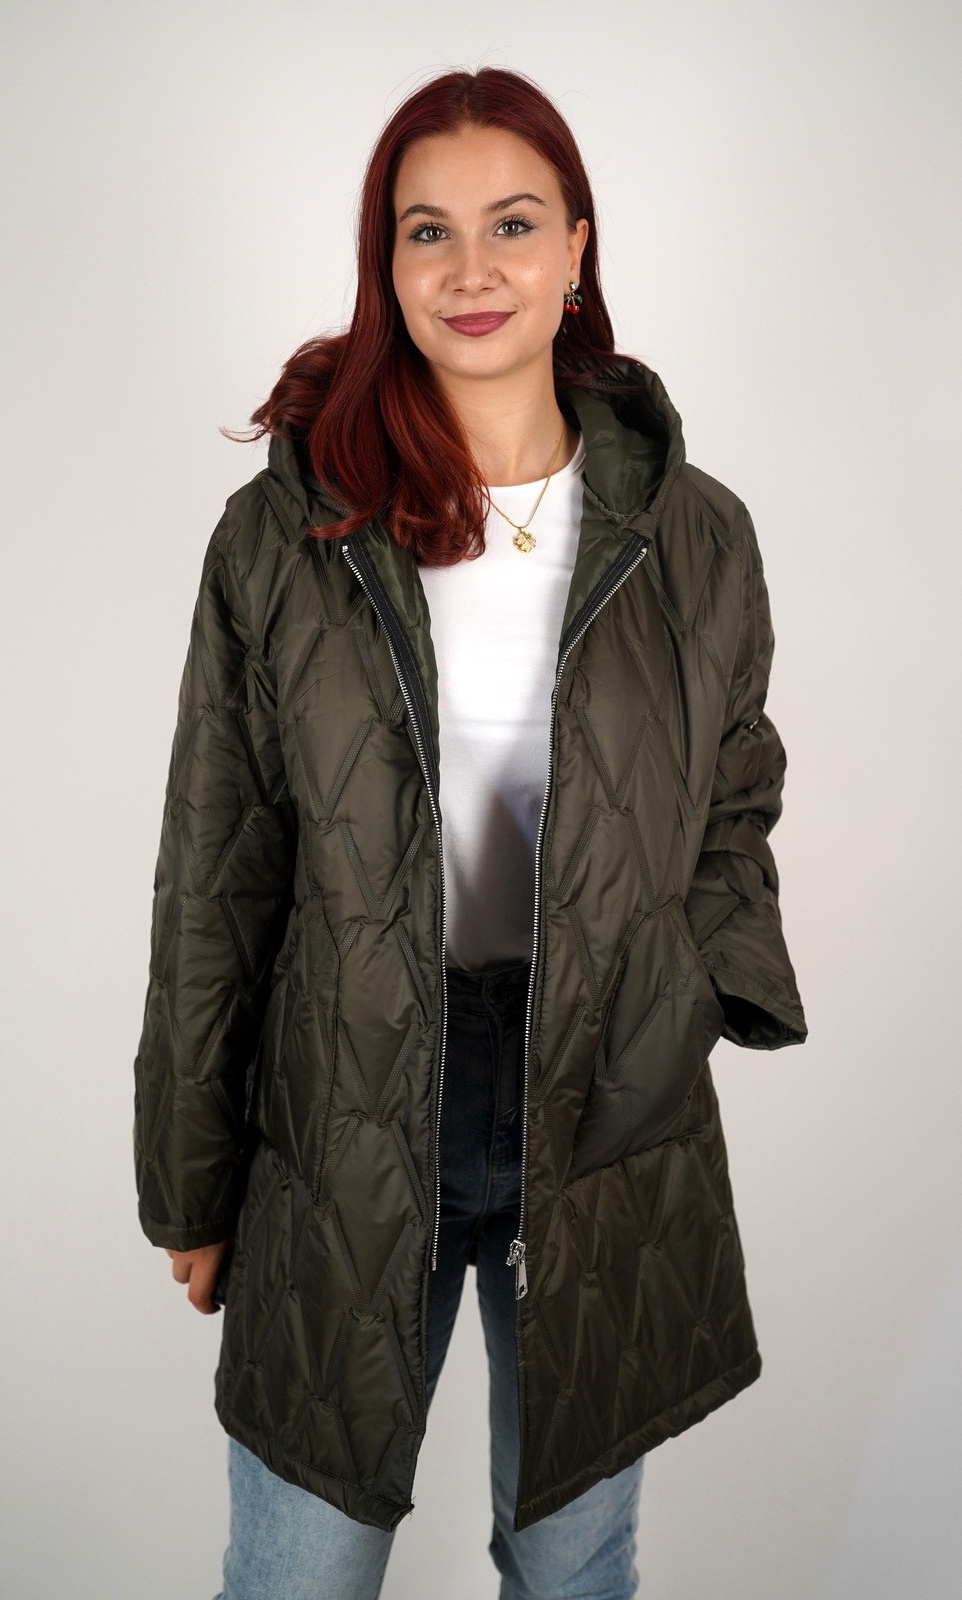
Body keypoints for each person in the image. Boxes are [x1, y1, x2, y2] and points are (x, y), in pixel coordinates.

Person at [132, 66, 808, 1600]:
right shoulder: (289, 532)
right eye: (425, 230)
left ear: (576, 248)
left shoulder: (695, 534)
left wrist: (694, 986)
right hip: (349, 1099)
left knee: (574, 1570)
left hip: (600, 1105)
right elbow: (215, 867)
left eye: (512, 223)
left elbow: (737, 788)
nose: (470, 268)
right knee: (299, 1572)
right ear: (386, 267)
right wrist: (191, 1175)